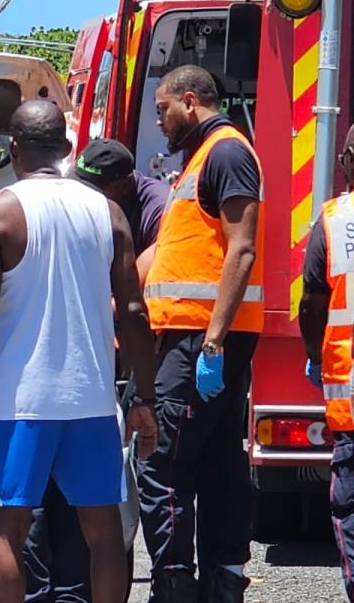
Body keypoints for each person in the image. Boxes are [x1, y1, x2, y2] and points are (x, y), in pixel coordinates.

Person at [0, 100, 158, 603]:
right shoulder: (107, 212)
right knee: (104, 531)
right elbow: (132, 310)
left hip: (19, 403)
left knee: (7, 528)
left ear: (11, 148)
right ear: (66, 149)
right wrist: (143, 397)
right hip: (91, 399)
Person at [22, 138, 171, 603]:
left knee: (92, 516)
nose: (83, 195)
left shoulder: (150, 209)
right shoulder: (98, 208)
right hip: (92, 377)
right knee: (82, 513)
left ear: (124, 185)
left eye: (95, 187)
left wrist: (143, 395)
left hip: (125, 358)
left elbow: (135, 303)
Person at [137, 64, 264, 602]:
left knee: (163, 464)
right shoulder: (201, 161)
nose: (160, 122)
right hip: (198, 339)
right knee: (216, 461)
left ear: (190, 101)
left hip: (199, 340)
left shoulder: (227, 153)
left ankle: (174, 586)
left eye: (163, 110)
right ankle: (222, 581)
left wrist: (212, 341)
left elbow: (242, 247)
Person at [298, 123, 354, 602]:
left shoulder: (336, 222)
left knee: (351, 506)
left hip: (351, 400)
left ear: (346, 164)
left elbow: (313, 304)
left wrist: (314, 355)